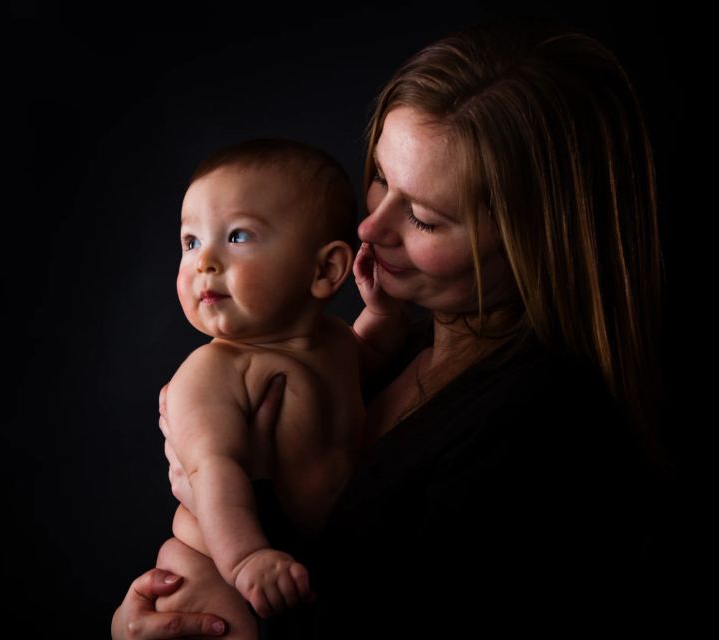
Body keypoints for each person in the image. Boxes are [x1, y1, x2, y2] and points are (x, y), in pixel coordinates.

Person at [113, 17, 669, 638]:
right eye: (379, 176)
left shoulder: (539, 426)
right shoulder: (391, 344)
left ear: (534, 244)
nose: (371, 227)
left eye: (425, 219)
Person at [154, 138, 409, 637]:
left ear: (325, 270)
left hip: (300, 558)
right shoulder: (211, 372)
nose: (204, 260)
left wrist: (383, 315)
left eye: (239, 236)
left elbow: (370, 366)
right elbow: (211, 469)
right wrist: (247, 558)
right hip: (213, 563)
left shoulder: (334, 341)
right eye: (190, 242)